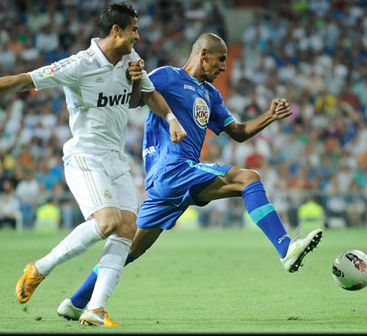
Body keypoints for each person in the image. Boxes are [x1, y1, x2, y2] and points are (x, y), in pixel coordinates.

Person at [56, 33, 323, 321]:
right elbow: (135, 100)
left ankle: (74, 302)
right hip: (172, 170)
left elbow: (238, 132)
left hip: (169, 182)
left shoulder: (211, 94)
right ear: (204, 54)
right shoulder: (167, 77)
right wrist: (134, 78)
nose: (223, 67)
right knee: (248, 178)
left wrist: (270, 116)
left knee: (130, 248)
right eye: (221, 60)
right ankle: (286, 248)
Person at [0, 2, 186, 327]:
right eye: (134, 29)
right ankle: (40, 268)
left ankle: (95, 308)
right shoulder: (79, 65)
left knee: (127, 231)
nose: (138, 35)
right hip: (85, 158)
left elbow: (145, 97)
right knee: (108, 222)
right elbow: (25, 79)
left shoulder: (131, 61)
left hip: (116, 158)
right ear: (116, 30)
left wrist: (170, 117)